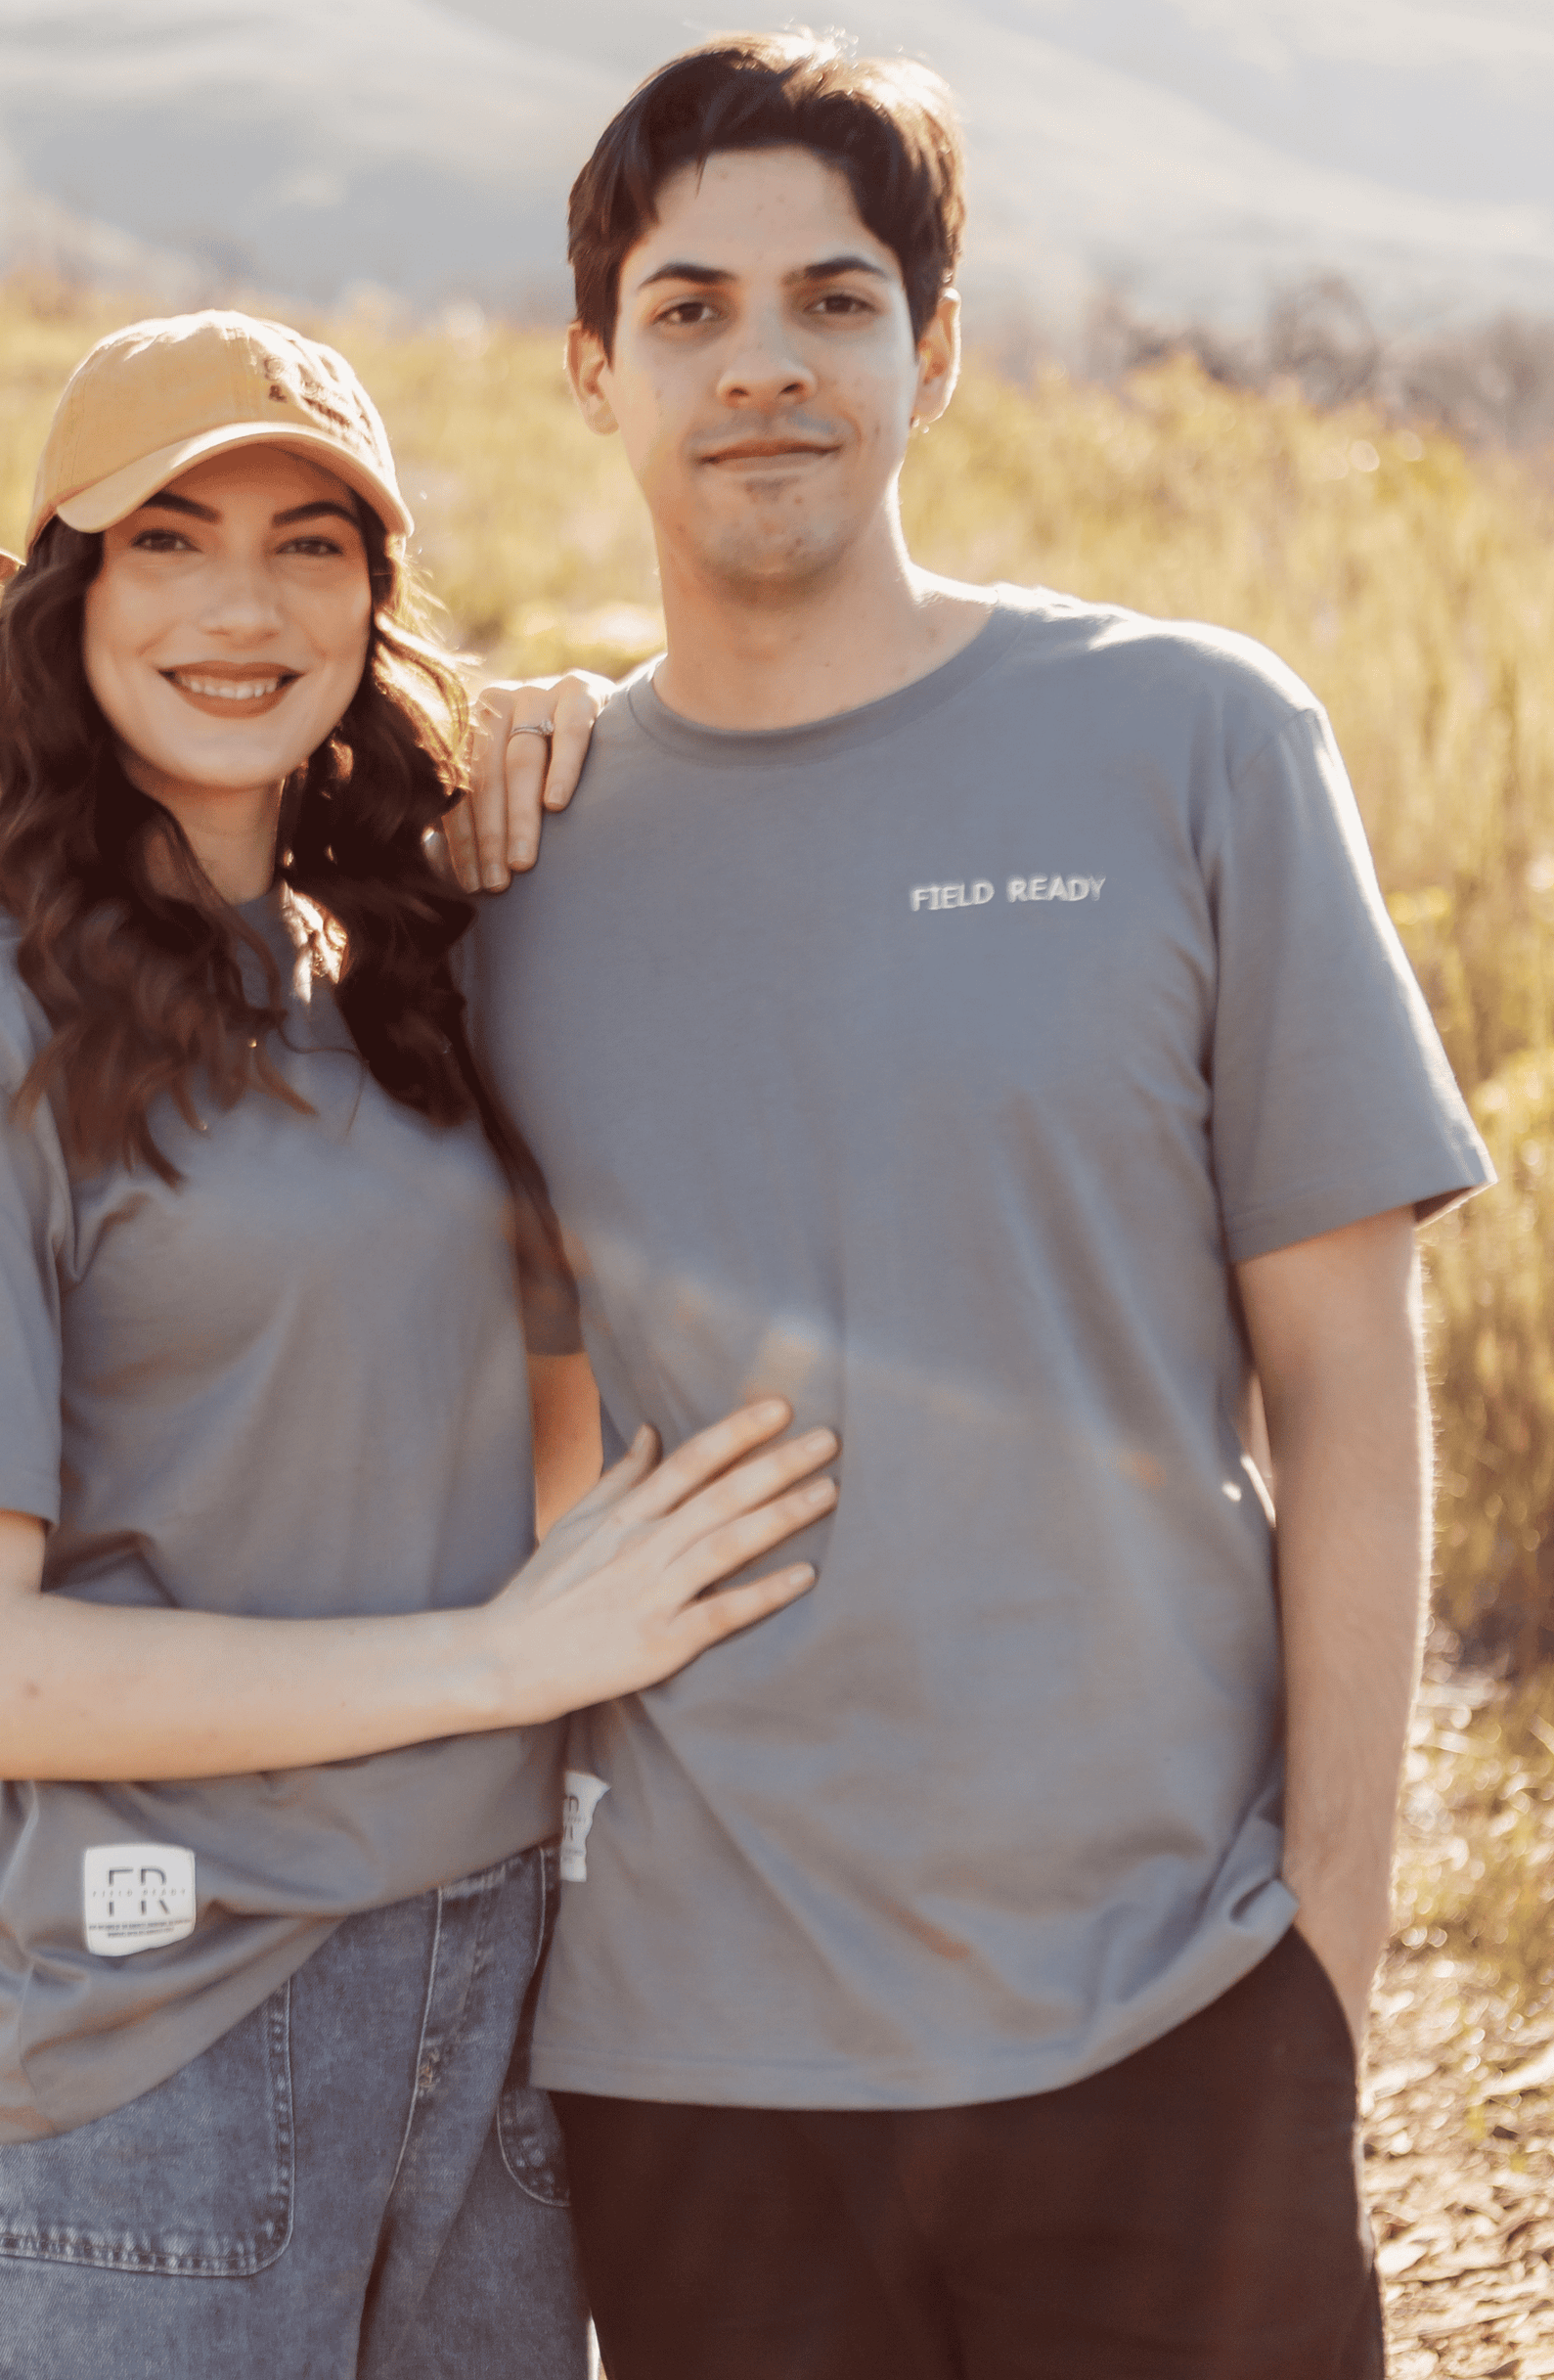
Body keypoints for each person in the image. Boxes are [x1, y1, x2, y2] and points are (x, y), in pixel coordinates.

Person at [461, 35, 1495, 2380]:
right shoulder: (500, 867)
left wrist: (1330, 1944)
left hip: (1174, 2012)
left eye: (833, 302)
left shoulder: (1199, 743)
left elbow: (1346, 1383)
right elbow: (511, 1418)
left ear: (933, 352)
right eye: (690, 307)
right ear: (590, 371)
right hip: (696, 2066)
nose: (763, 367)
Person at [0, 307, 840, 2379]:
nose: (244, 607)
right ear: (51, 603)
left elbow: (527, 1417)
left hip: (500, 1994)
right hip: (163, 2033)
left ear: (379, 596)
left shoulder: (397, 978)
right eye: (168, 541)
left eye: (315, 545)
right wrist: (504, 1662)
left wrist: (575, 767)